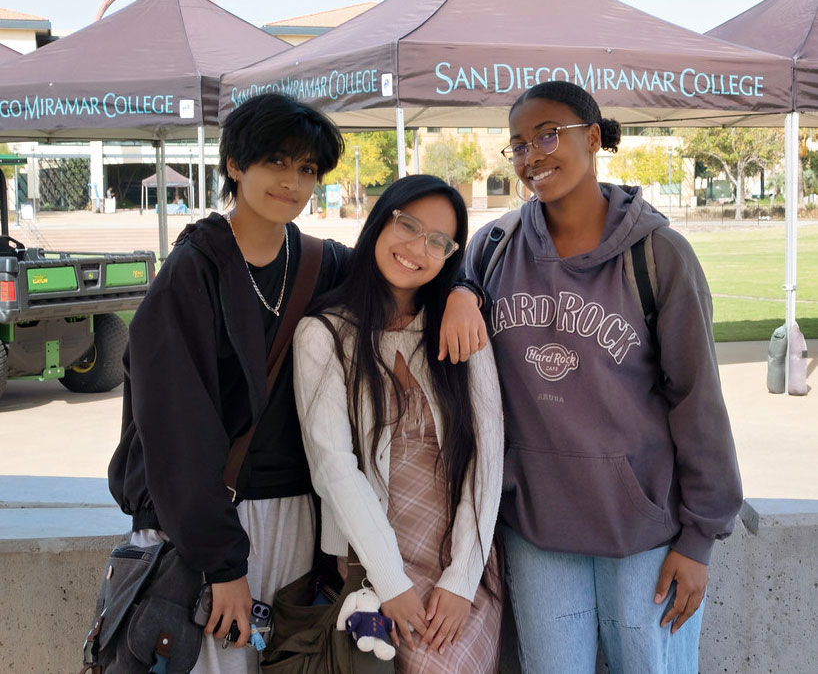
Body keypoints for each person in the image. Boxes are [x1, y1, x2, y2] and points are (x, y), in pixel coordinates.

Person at [108, 94, 485, 674]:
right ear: (235, 164)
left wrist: (465, 292)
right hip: (213, 523)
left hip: (297, 519)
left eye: (307, 168)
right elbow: (175, 437)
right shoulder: (190, 275)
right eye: (277, 162)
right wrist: (223, 566)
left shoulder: (317, 262)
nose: (292, 181)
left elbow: (408, 267)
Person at [462, 81, 743, 674]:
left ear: (593, 138)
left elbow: (698, 403)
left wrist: (698, 540)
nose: (533, 155)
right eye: (518, 145)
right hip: (538, 528)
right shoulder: (492, 248)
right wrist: (461, 290)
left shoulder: (659, 255)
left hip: (643, 529)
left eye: (548, 135)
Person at [293, 175, 504, 674]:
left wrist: (461, 580)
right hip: (376, 563)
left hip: (461, 560)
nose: (417, 248)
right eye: (407, 225)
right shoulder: (325, 334)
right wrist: (392, 582)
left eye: (437, 241)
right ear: (380, 220)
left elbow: (489, 454)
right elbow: (333, 468)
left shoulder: (457, 327)